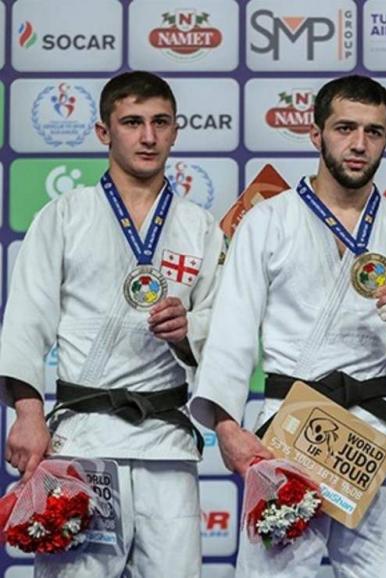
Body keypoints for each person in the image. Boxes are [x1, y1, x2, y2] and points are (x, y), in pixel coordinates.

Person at [189, 75, 386, 578]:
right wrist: (226, 426)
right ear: (316, 134)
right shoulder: (267, 220)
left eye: (374, 132)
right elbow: (231, 331)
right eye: (345, 128)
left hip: (375, 437)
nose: (359, 144)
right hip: (287, 435)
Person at [0, 71, 224, 577]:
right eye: (132, 122)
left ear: (175, 131)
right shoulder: (64, 216)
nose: (148, 136)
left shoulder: (199, 226)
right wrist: (29, 414)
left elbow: (224, 328)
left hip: (166, 444)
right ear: (104, 132)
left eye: (160, 123)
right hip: (82, 441)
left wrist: (189, 328)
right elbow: (26, 321)